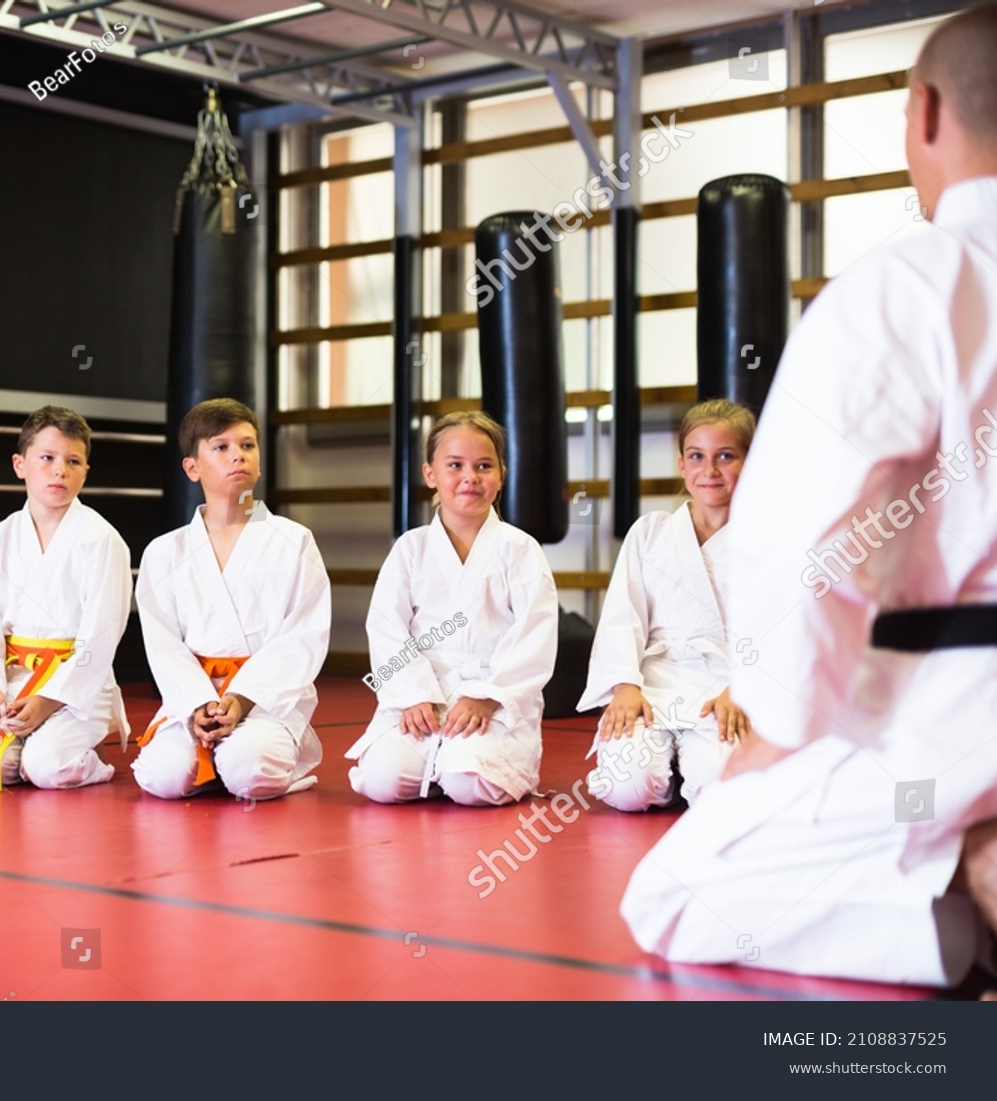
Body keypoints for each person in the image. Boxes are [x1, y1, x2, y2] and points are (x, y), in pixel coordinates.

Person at [622, 4, 997, 987]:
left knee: (678, 893)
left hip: (947, 739)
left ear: (922, 115)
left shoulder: (913, 286)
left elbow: (803, 546)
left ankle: (970, 862)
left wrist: (779, 731)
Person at [346, 411, 558, 805]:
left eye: (483, 466)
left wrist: (487, 696)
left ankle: (460, 764)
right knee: (382, 781)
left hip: (492, 696)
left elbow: (536, 634)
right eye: (455, 465)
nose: (470, 478)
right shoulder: (411, 548)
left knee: (469, 784)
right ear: (430, 474)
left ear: (501, 474)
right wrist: (412, 694)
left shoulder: (520, 549)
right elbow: (387, 626)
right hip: (423, 696)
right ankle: (434, 757)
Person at [132, 398, 330, 801]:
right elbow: (162, 642)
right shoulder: (164, 551)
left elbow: (303, 636)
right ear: (192, 467)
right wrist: (198, 703)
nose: (237, 455)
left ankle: (249, 761)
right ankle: (208, 745)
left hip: (264, 699)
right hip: (194, 698)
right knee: (163, 778)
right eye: (221, 447)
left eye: (247, 445)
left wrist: (239, 699)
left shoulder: (293, 541)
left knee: (250, 771)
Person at [579, 400, 755, 812]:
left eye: (725, 456)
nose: (709, 471)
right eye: (697, 456)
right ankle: (670, 767)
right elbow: (623, 617)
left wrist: (745, 688)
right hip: (655, 682)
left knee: (721, 791)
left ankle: (690, 763)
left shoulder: (768, 540)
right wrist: (624, 686)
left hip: (726, 686)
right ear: (681, 464)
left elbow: (784, 627)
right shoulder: (650, 532)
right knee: (626, 787)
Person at [0, 406, 132, 791]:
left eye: (73, 461)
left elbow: (102, 634)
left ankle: (93, 762)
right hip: (13, 679)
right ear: (20, 464)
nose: (59, 470)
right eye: (46, 458)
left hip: (79, 682)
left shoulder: (102, 541)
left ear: (85, 471)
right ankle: (24, 737)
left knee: (47, 767)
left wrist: (49, 701)